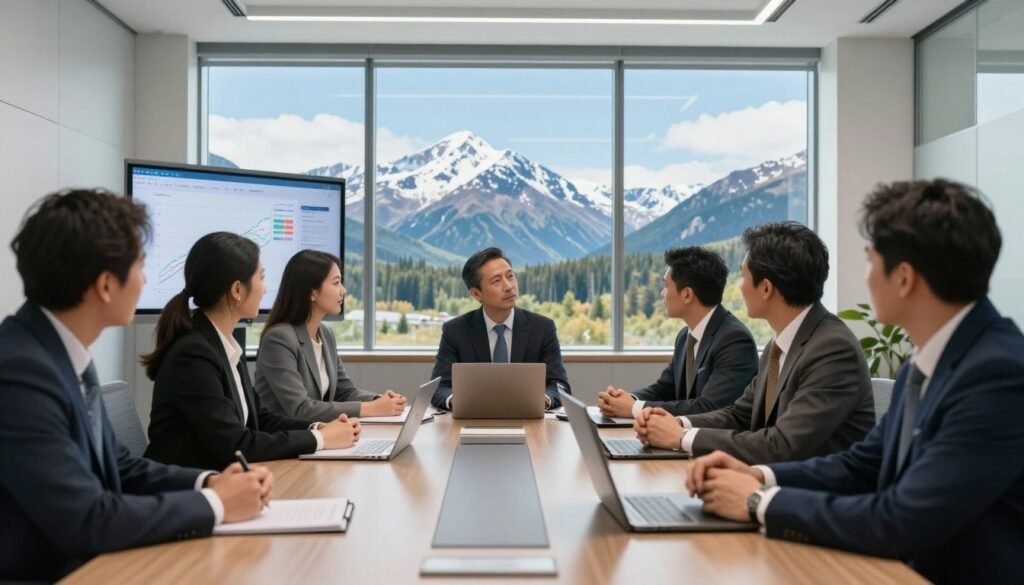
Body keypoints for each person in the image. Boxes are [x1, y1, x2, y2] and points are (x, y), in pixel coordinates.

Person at [688, 179, 1024, 584]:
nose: (866, 278)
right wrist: (760, 476)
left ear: (904, 278)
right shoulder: (928, 360)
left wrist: (759, 502)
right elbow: (862, 464)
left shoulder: (997, 375)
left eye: (870, 260)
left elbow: (901, 520)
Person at [0, 190, 272, 581]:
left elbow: (119, 466)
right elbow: (87, 519)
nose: (145, 280)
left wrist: (210, 481)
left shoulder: (59, 352)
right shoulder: (20, 372)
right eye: (141, 267)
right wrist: (216, 503)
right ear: (107, 285)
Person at [634, 222, 874, 463]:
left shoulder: (832, 349)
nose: (739, 287)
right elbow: (741, 414)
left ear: (766, 288)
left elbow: (782, 445)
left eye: (743, 276)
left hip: (816, 493)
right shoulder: (779, 345)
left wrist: (682, 437)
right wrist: (677, 423)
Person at [144, 233, 360, 469]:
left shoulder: (222, 343)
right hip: (189, 490)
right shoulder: (194, 355)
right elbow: (237, 445)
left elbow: (260, 418)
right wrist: (320, 440)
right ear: (237, 290)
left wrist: (319, 428)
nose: (265, 288)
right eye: (262, 277)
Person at [597, 246, 757, 418]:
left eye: (666, 286)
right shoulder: (684, 336)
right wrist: (626, 399)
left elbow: (709, 407)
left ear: (687, 295)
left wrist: (635, 408)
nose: (662, 293)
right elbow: (665, 389)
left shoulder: (734, 341)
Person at [255, 250, 407, 421]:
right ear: (312, 292)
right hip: (284, 441)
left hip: (317, 435)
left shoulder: (326, 334)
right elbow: (301, 408)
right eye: (336, 283)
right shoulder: (278, 338)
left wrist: (380, 401)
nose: (343, 290)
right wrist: (370, 408)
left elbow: (344, 392)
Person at [430, 247, 570, 410]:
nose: (509, 286)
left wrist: (543, 400)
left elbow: (560, 386)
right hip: (474, 422)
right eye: (496, 281)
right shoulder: (455, 331)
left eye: (510, 276)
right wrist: (459, 401)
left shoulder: (542, 328)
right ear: (476, 294)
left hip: (529, 421)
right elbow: (438, 388)